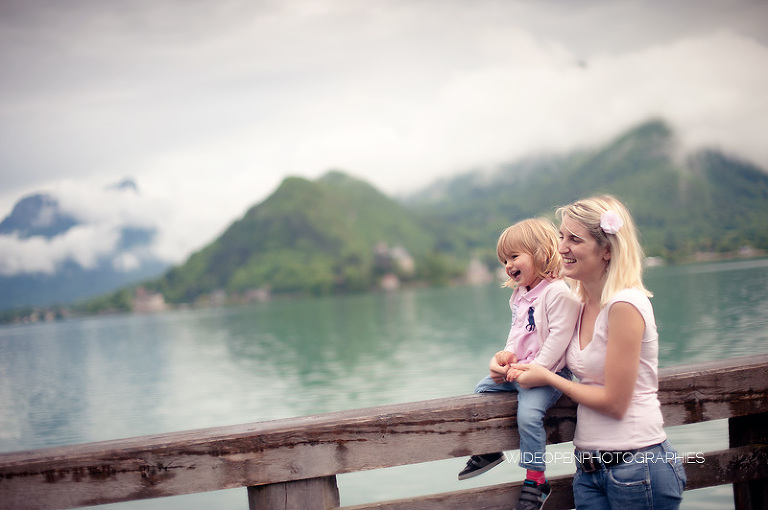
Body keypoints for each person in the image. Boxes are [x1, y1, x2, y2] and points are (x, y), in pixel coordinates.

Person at [509, 195, 687, 509]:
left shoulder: (624, 305)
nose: (562, 247)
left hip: (637, 465)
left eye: (575, 239)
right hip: (589, 470)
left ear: (607, 250)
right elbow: (531, 341)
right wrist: (504, 361)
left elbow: (616, 403)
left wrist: (550, 379)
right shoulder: (578, 304)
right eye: (561, 236)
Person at [458, 218, 580, 510]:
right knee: (483, 390)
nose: (508, 265)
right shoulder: (519, 295)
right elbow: (517, 333)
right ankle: (490, 451)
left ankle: (536, 478)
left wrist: (536, 370)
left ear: (540, 253)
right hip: (522, 368)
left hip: (549, 373)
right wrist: (507, 356)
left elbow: (559, 339)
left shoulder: (557, 292)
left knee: (528, 414)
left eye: (514, 256)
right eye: (504, 260)